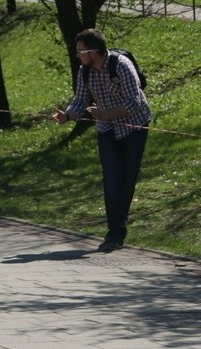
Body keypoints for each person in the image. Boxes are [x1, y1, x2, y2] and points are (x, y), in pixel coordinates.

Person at [53, 28, 151, 253]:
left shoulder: (122, 65)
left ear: (94, 52)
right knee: (111, 178)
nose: (77, 55)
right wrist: (67, 116)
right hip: (106, 129)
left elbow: (133, 102)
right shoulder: (84, 71)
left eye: (80, 51)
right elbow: (80, 101)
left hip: (134, 126)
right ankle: (114, 234)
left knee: (126, 179)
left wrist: (106, 114)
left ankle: (118, 231)